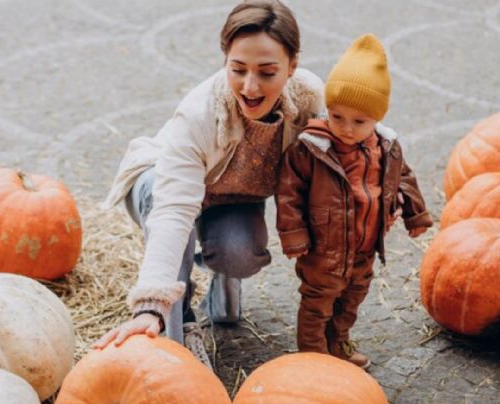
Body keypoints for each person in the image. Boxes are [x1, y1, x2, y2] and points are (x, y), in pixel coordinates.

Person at [93, 0, 325, 367]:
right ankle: (179, 325)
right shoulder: (199, 114)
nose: (250, 86)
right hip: (161, 184)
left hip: (234, 195)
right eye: (238, 69)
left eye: (267, 72)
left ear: (292, 66)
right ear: (225, 61)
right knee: (169, 210)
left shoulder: (309, 99)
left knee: (242, 254)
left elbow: (340, 148)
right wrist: (150, 305)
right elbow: (172, 210)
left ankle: (220, 282)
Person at [275, 33, 433, 369]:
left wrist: (415, 216)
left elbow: (403, 177)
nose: (346, 128)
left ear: (377, 118)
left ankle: (339, 341)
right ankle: (313, 354)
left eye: (359, 121)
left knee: (351, 298)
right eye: (336, 116)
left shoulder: (386, 147)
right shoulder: (312, 149)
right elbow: (289, 194)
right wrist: (294, 236)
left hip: (365, 246)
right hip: (323, 247)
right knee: (318, 301)